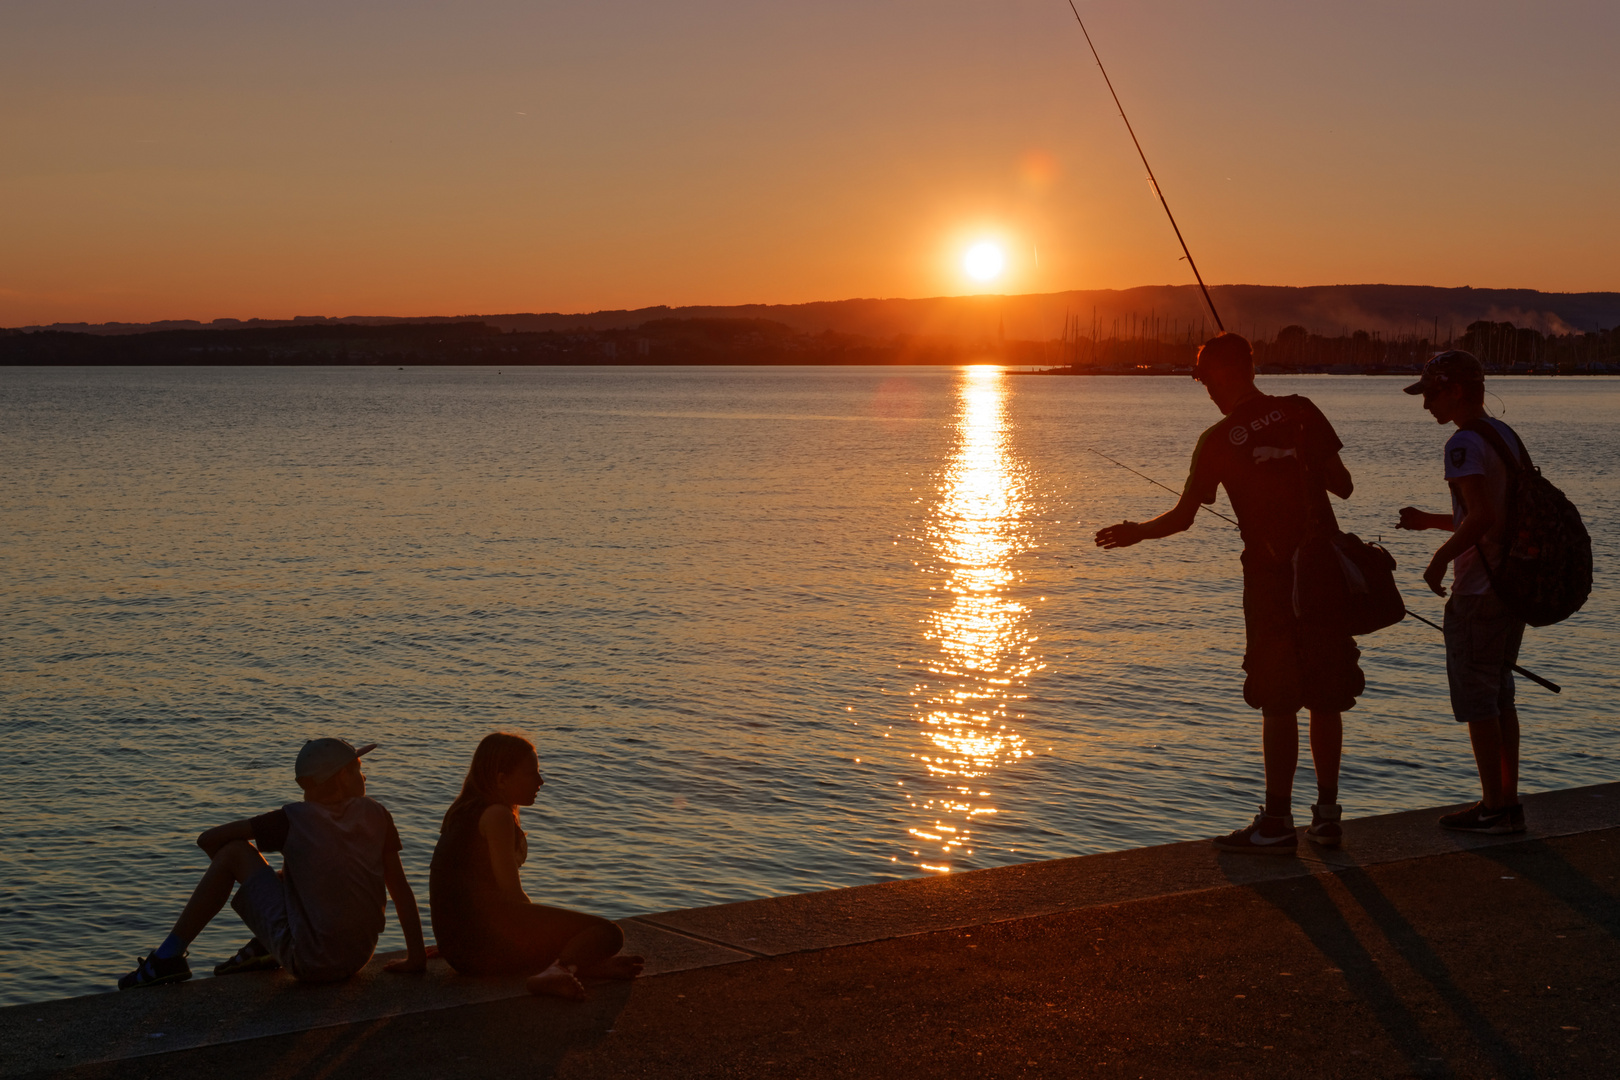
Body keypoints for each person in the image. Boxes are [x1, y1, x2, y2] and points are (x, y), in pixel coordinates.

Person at [1095, 332, 1363, 855]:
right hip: (1326, 571)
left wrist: (1135, 531)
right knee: (1327, 693)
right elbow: (1344, 485)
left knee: (1278, 699)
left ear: (1218, 375)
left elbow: (1182, 519)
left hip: (1270, 579)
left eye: (1202, 378)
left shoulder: (1218, 440)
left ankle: (1278, 821)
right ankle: (1328, 818)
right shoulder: (1301, 408)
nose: (1205, 391)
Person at [118, 738, 428, 988]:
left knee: (234, 852)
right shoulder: (377, 815)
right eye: (359, 768)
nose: (364, 776)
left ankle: (168, 956)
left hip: (310, 963)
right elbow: (400, 889)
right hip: (359, 956)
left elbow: (208, 840)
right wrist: (415, 958)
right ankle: (267, 944)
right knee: (299, 881)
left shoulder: (291, 820)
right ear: (343, 776)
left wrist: (260, 886)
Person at [1397, 350, 1527, 834]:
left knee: (1478, 700)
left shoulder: (1462, 443)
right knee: (1502, 697)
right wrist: (1429, 522)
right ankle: (1506, 801)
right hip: (1511, 585)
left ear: (1454, 391)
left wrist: (1438, 560)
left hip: (1478, 589)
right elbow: (1491, 512)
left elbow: (1482, 518)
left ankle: (1494, 808)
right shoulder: (1504, 435)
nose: (1426, 403)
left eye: (1431, 393)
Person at [429, 733, 643, 999]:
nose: (541, 781)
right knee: (608, 934)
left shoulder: (463, 812)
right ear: (501, 779)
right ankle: (560, 969)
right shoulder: (496, 815)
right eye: (532, 773)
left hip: (461, 949)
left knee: (569, 936)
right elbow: (512, 895)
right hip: (481, 949)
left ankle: (578, 966)